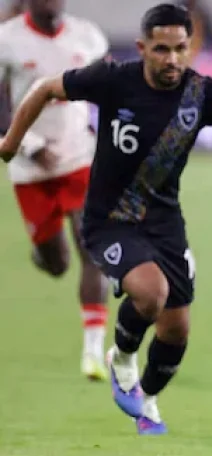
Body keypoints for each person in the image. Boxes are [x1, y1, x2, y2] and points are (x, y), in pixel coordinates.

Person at [0, 3, 212, 435]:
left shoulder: (203, 93)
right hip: (109, 219)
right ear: (143, 47)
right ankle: (120, 356)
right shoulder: (113, 79)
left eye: (181, 48)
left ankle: (148, 401)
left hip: (165, 221)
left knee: (177, 331)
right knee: (151, 293)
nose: (172, 59)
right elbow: (47, 88)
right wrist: (11, 143)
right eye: (162, 49)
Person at [0, 0, 111, 381]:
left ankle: (93, 352)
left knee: (91, 245)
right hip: (30, 166)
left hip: (79, 157)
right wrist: (27, 144)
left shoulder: (88, 36)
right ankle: (42, 252)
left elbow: (111, 89)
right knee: (57, 263)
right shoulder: (7, 41)